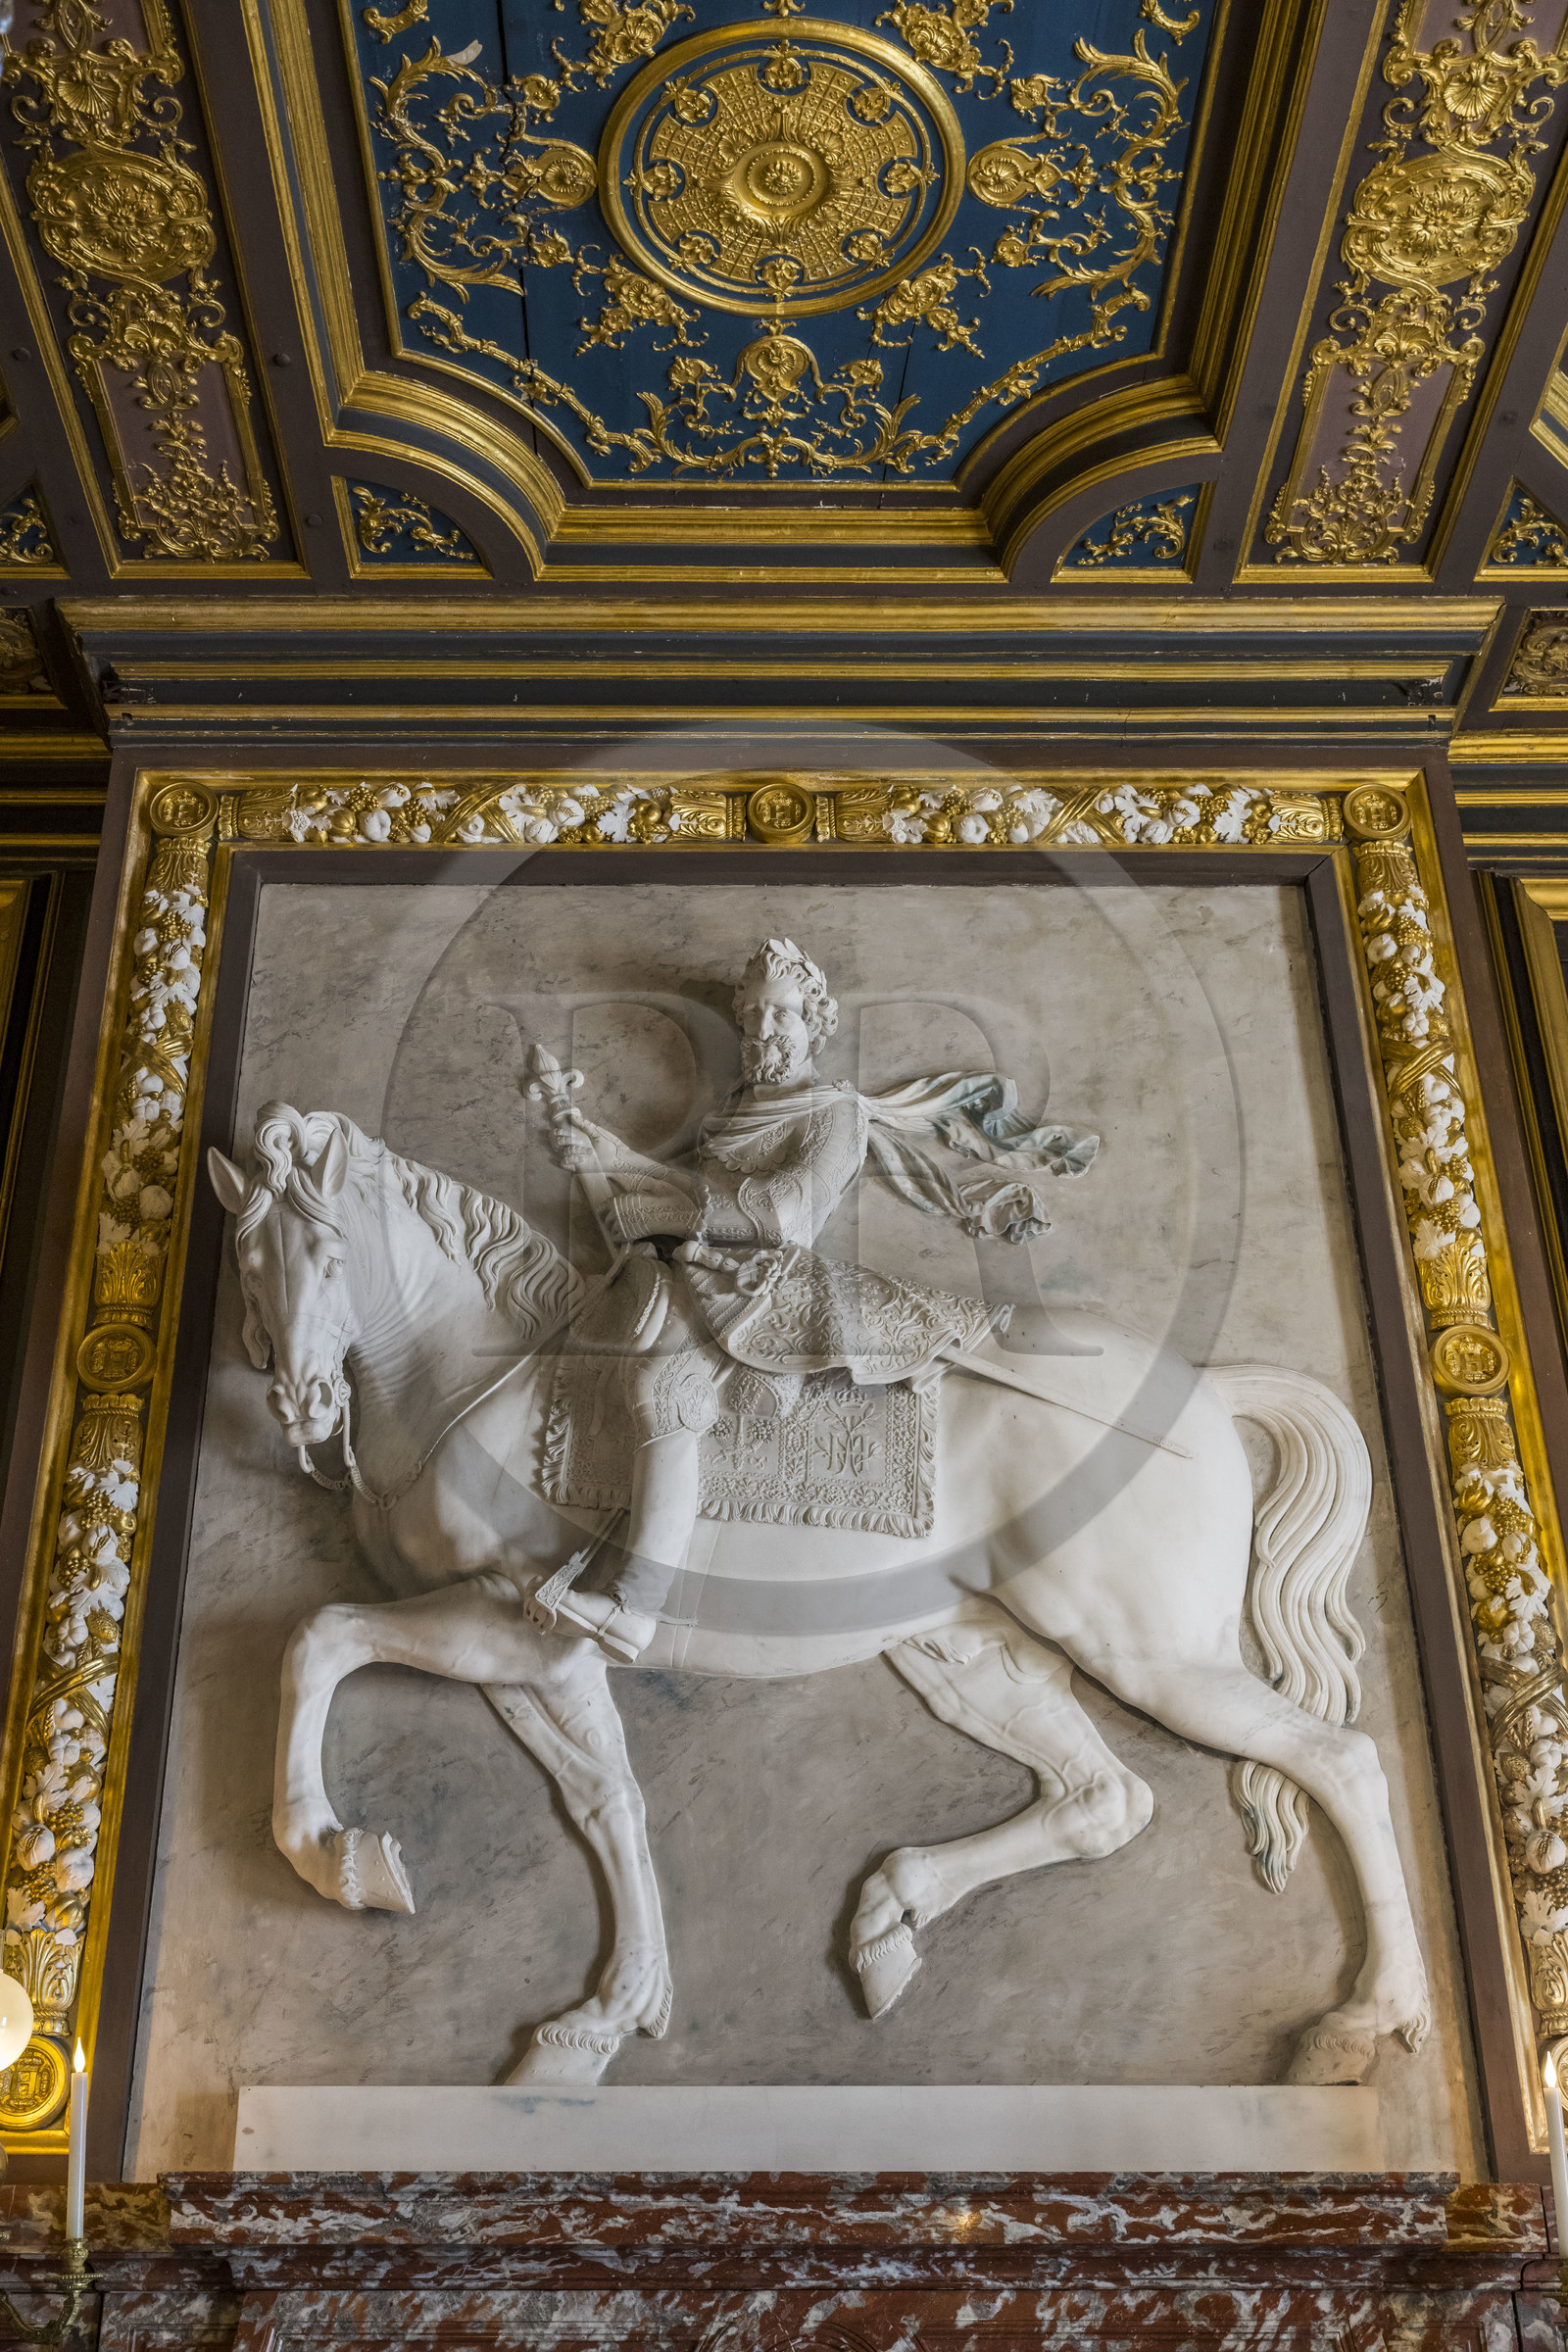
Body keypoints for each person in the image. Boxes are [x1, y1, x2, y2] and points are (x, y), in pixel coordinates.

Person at [525, 937, 1005, 1662]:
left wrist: (659, 1212)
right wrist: (602, 1151)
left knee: (665, 1389)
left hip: (773, 1285)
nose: (761, 1032)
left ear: (816, 1021)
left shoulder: (835, 1113)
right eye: (750, 1018)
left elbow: (781, 1211)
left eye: (780, 1015)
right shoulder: (736, 1111)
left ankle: (635, 1608)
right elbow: (687, 1193)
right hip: (702, 1271)